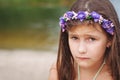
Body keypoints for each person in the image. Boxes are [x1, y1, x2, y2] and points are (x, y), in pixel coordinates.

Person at [48, 0, 120, 80]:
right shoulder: (59, 70)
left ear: (110, 39)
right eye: (74, 38)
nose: (81, 49)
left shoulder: (116, 74)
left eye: (91, 39)